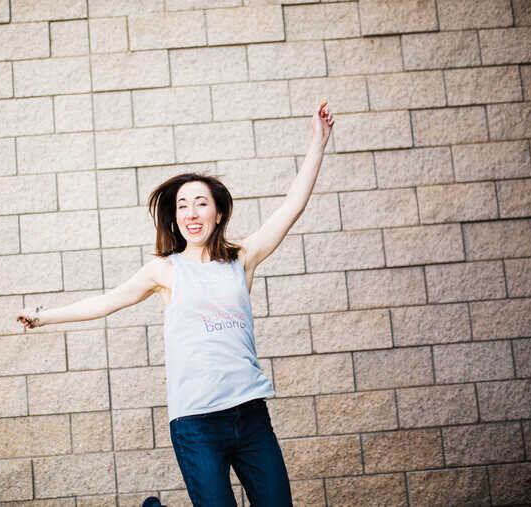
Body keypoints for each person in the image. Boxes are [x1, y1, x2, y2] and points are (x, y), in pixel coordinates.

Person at [17, 101, 335, 506]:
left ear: (218, 214)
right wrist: (42, 317)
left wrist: (318, 142)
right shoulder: (164, 270)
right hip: (196, 423)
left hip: (250, 415)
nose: (191, 212)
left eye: (201, 203)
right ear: (176, 217)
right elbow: (107, 301)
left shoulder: (242, 258)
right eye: (183, 205)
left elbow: (292, 207)